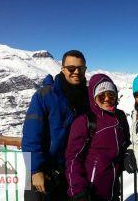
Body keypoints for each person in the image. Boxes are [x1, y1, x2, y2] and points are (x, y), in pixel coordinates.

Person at [21, 50, 89, 201]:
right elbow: (30, 136)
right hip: (44, 171)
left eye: (81, 68)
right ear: (63, 69)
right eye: (71, 68)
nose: (76, 72)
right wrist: (35, 169)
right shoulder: (44, 95)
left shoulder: (87, 98)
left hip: (72, 171)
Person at [65, 73, 130, 201]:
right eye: (101, 96)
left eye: (111, 95)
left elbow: (126, 142)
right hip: (91, 192)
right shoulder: (84, 122)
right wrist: (78, 189)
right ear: (94, 98)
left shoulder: (120, 117)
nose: (106, 99)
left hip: (113, 189)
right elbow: (73, 158)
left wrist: (128, 153)